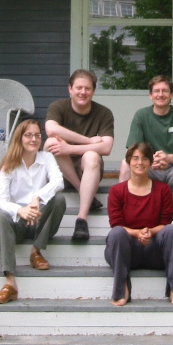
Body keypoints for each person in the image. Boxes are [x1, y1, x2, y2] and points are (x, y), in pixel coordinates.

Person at [0, 118, 66, 304]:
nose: (34, 139)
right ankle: (10, 282)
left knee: (59, 199)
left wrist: (37, 197)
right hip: (18, 224)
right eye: (28, 135)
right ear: (20, 138)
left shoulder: (46, 158)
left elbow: (58, 181)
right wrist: (20, 210)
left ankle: (36, 251)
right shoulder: (10, 162)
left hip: (40, 220)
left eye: (37, 135)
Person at [120, 74, 173, 240]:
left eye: (165, 91)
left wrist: (169, 158)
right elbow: (132, 150)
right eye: (156, 91)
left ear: (171, 95)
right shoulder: (141, 116)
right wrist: (150, 161)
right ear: (150, 95)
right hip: (149, 169)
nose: (160, 94)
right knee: (125, 163)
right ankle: (123, 222)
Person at [105, 142, 173, 307]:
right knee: (116, 234)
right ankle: (122, 290)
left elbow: (166, 221)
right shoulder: (116, 191)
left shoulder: (163, 190)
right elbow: (116, 223)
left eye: (144, 159)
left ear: (150, 162)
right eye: (135, 158)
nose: (139, 163)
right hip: (127, 251)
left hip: (155, 249)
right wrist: (137, 234)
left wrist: (149, 232)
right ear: (128, 162)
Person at [44, 69, 114, 241]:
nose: (83, 92)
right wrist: (89, 141)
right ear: (70, 89)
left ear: (93, 91)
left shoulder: (103, 113)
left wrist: (70, 149)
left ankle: (81, 220)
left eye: (87, 88)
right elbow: (51, 129)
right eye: (79, 88)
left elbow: (106, 148)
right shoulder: (58, 107)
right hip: (61, 170)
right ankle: (81, 190)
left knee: (91, 156)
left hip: (88, 170)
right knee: (52, 142)